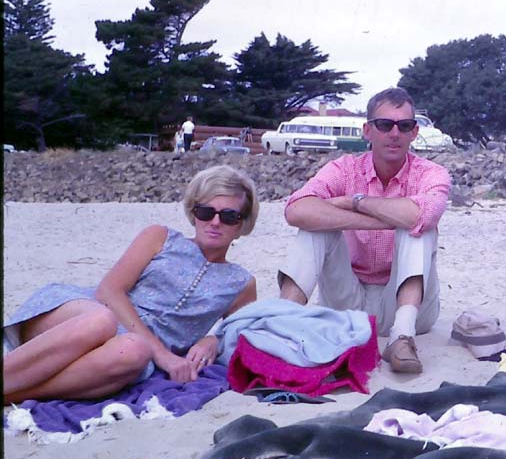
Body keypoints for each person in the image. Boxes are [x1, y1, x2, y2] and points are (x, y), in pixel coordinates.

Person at [3, 165, 260, 403]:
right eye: (206, 212)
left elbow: (239, 334)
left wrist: (213, 340)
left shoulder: (241, 283)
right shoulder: (160, 237)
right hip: (86, 314)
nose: (215, 222)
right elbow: (109, 291)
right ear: (194, 213)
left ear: (242, 224)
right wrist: (163, 356)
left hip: (129, 350)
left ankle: (14, 393)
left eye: (229, 216)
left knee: (134, 352)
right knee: (102, 321)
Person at [277, 87, 451, 375]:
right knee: (314, 227)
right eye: (384, 124)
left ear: (414, 132)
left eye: (403, 126)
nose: (394, 133)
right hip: (347, 301)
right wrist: (387, 217)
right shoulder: (344, 169)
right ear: (368, 130)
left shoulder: (430, 173)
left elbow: (426, 214)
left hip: (411, 307)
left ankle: (401, 339)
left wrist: (355, 202)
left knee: (419, 228)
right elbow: (296, 210)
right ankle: (282, 325)